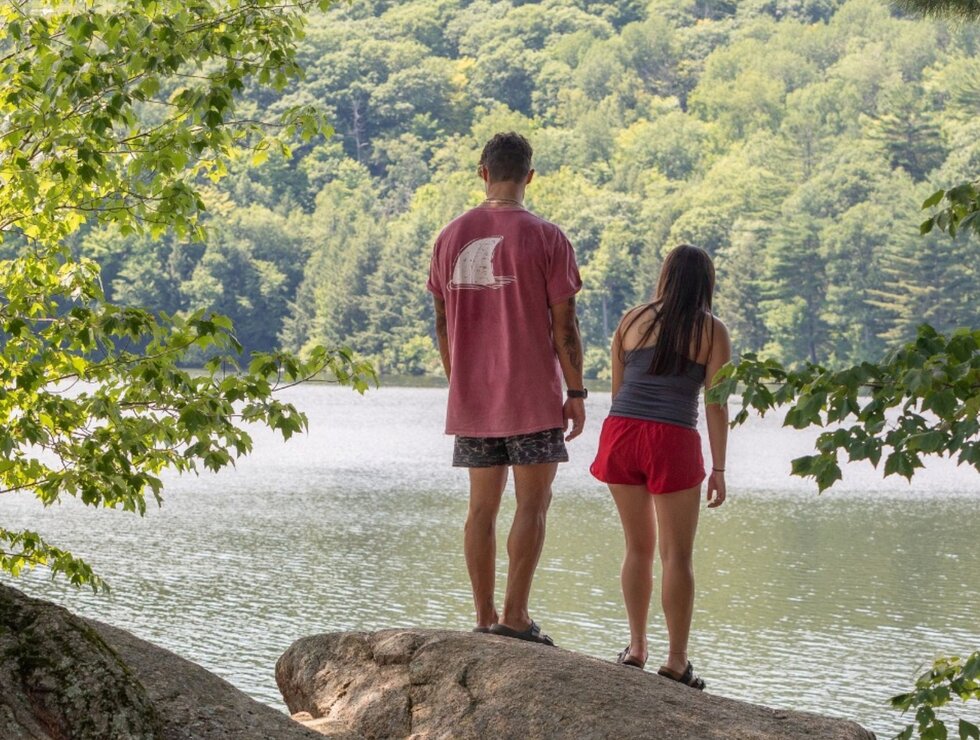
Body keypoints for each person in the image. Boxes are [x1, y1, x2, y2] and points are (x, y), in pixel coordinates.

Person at [426, 132, 586, 647]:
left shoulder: (449, 237)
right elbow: (566, 327)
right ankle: (515, 618)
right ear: (529, 176)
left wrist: (461, 381)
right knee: (532, 506)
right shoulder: (548, 237)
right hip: (534, 396)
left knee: (481, 509)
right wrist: (577, 392)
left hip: (473, 397)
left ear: (483, 172)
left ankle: (483, 615)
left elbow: (442, 323)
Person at [590, 244, 731, 688]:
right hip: (672, 438)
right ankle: (676, 660)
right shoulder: (711, 331)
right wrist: (720, 468)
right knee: (678, 556)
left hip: (622, 433)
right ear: (705, 283)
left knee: (638, 548)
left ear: (666, 276)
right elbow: (716, 405)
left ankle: (635, 648)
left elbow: (616, 392)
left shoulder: (631, 319)